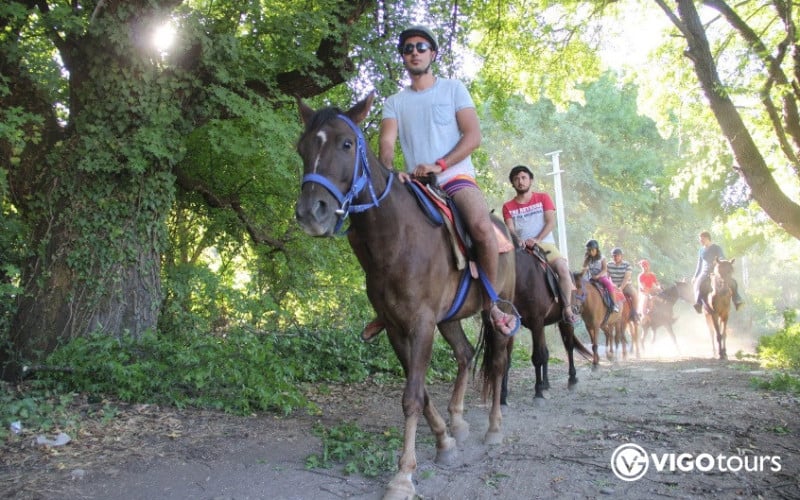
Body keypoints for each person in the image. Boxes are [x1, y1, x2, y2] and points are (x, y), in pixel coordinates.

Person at [360, 25, 517, 341]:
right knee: (370, 230)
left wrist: (440, 164)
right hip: (415, 184)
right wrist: (390, 171)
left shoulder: (453, 89)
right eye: (408, 48)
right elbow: (387, 143)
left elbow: (473, 136)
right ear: (403, 57)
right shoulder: (395, 102)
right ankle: (387, 306)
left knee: (482, 227)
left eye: (421, 47)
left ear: (432, 53)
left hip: (455, 177)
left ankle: (491, 304)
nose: (414, 52)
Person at [502, 165, 580, 324]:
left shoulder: (543, 198)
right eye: (516, 179)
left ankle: (567, 309)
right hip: (521, 249)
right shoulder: (507, 207)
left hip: (545, 245)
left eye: (523, 178)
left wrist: (537, 239)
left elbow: (551, 222)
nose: (520, 181)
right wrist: (517, 239)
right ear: (512, 184)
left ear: (531, 180)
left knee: (563, 270)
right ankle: (503, 310)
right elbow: (510, 229)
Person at [692, 230, 744, 313]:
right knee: (699, 284)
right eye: (700, 240)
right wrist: (695, 276)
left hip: (717, 271)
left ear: (707, 238)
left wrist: (719, 261)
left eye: (702, 239)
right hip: (705, 272)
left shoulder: (716, 247)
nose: (700, 241)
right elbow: (699, 264)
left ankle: (737, 300)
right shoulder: (701, 250)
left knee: (733, 282)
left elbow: (721, 257)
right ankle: (699, 304)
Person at [581, 240, 619, 312]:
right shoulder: (587, 258)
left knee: (608, 284)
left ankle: (614, 304)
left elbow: (605, 269)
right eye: (589, 250)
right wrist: (583, 271)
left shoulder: (602, 257)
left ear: (597, 249)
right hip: (590, 277)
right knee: (581, 284)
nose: (591, 252)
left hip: (601, 276)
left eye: (592, 250)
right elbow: (584, 268)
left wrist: (598, 276)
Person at [607, 247, 639, 322]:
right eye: (614, 256)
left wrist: (621, 288)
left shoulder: (627, 265)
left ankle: (634, 313)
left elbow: (626, 278)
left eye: (618, 255)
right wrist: (612, 285)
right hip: (614, 286)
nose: (616, 257)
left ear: (621, 256)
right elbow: (607, 276)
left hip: (626, 285)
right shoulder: (609, 265)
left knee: (634, 294)